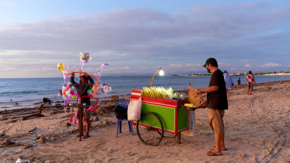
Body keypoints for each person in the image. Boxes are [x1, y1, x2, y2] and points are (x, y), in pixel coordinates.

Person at [196, 58, 228, 156]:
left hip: (216, 105)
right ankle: (221, 145)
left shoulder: (216, 73)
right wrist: (206, 101)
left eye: (206, 66)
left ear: (209, 65)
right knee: (220, 125)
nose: (206, 68)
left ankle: (218, 150)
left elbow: (215, 87)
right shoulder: (219, 73)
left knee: (217, 126)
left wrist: (201, 90)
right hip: (219, 103)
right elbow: (216, 91)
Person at [71, 72, 94, 139]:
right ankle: (81, 132)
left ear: (86, 80)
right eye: (81, 79)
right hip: (79, 103)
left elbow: (92, 82)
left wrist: (88, 76)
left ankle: (87, 134)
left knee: (86, 118)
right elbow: (72, 82)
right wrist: (72, 76)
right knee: (79, 118)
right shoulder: (78, 85)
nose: (81, 80)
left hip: (86, 103)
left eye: (83, 79)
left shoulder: (88, 86)